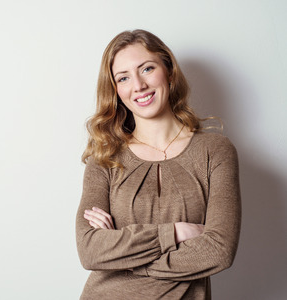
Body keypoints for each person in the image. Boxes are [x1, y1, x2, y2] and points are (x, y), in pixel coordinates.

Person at [76, 29, 241, 299]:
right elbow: (89, 250)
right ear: (116, 91)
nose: (138, 85)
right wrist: (174, 233)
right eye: (124, 78)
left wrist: (120, 256)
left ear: (170, 72)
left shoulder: (216, 152)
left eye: (147, 69)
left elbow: (218, 251)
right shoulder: (105, 158)